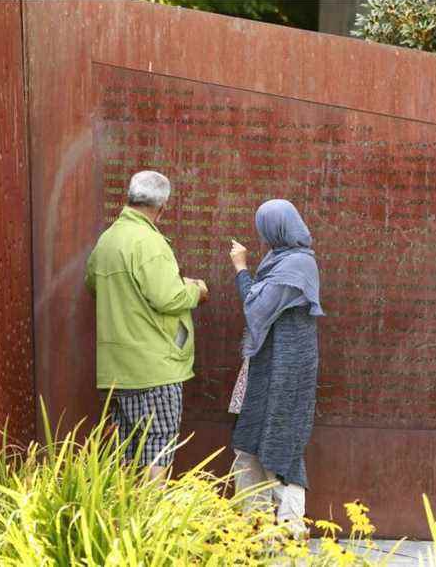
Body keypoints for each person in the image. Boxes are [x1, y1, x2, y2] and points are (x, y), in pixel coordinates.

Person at [85, 170, 208, 481]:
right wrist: (196, 290)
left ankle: (127, 520)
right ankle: (154, 522)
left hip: (117, 369)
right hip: (154, 367)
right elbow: (168, 298)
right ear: (162, 206)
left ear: (130, 196)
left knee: (126, 448)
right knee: (159, 444)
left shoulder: (108, 239)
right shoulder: (149, 242)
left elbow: (93, 285)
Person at [228, 199, 323, 537]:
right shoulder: (279, 260)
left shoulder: (295, 266)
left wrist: (240, 268)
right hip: (266, 365)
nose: (261, 235)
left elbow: (256, 308)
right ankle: (251, 523)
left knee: (280, 444)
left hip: (285, 370)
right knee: (248, 442)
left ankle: (291, 527)